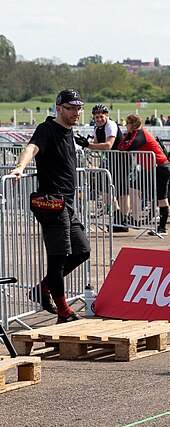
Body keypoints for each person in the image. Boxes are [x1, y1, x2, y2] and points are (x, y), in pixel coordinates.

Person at [9, 89, 91, 323]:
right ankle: (64, 312)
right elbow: (32, 148)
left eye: (78, 108)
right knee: (58, 257)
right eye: (71, 108)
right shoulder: (47, 129)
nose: (76, 113)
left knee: (82, 250)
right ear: (58, 109)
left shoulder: (69, 131)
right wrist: (20, 167)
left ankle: (42, 289)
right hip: (52, 203)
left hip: (68, 202)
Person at [117, 114, 170, 236]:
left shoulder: (140, 134)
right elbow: (121, 146)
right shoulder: (132, 134)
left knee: (161, 197)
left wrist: (127, 138)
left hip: (160, 167)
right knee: (133, 189)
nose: (125, 126)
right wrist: (127, 136)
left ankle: (162, 227)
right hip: (148, 168)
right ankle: (136, 219)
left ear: (132, 124)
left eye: (127, 123)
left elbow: (128, 147)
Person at [78, 104, 129, 232]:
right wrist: (84, 143)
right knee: (102, 187)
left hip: (121, 160)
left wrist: (88, 145)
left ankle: (123, 221)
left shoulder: (110, 125)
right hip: (109, 160)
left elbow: (108, 145)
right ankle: (118, 215)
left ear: (106, 115)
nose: (99, 119)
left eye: (101, 116)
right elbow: (95, 143)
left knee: (122, 191)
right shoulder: (97, 128)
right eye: (96, 117)